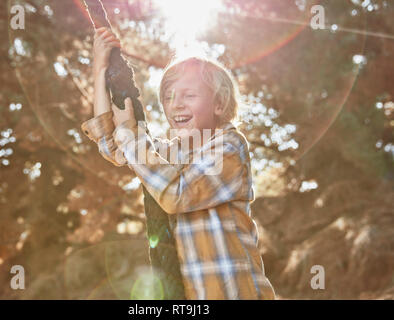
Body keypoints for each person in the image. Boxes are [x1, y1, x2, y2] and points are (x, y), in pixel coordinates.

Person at [81, 26, 276, 300]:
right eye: (169, 97)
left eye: (189, 95)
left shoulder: (230, 148)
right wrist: (100, 69)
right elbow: (113, 144)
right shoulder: (171, 155)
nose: (176, 104)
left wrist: (130, 135)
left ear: (218, 104)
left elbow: (177, 194)